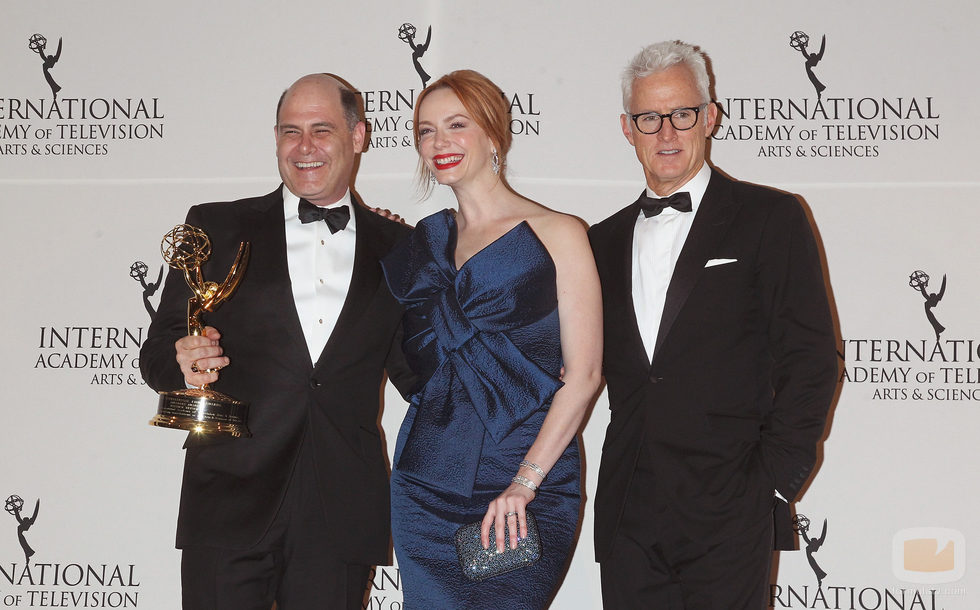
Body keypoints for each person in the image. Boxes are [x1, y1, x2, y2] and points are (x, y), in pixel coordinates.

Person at [140, 73, 415, 610]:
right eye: (290, 131)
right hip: (228, 496)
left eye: (322, 130)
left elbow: (418, 374)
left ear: (358, 136)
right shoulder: (216, 226)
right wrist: (183, 362)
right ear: (274, 138)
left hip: (340, 506)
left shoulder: (400, 248)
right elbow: (158, 353)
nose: (304, 147)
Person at [588, 41, 838, 609]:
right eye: (649, 118)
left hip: (731, 504)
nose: (667, 133)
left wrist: (772, 480)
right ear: (627, 129)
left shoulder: (769, 218)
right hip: (630, 508)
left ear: (710, 117)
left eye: (682, 113)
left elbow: (811, 357)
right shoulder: (598, 242)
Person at [380, 70, 602, 608]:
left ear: (493, 133)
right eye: (426, 130)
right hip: (425, 477)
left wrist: (525, 482)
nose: (440, 143)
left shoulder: (559, 232)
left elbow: (586, 375)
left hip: (527, 474)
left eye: (457, 125)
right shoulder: (423, 243)